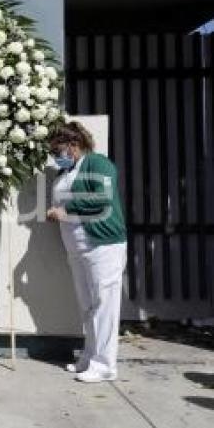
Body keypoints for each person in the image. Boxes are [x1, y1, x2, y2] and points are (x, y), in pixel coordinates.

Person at [47, 121, 127, 383]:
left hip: (103, 245)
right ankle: (90, 356)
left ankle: (105, 365)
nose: (55, 157)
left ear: (73, 144)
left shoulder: (98, 163)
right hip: (77, 249)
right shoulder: (67, 173)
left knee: (104, 305)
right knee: (88, 306)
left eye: (57, 150)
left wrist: (65, 210)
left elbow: (102, 197)